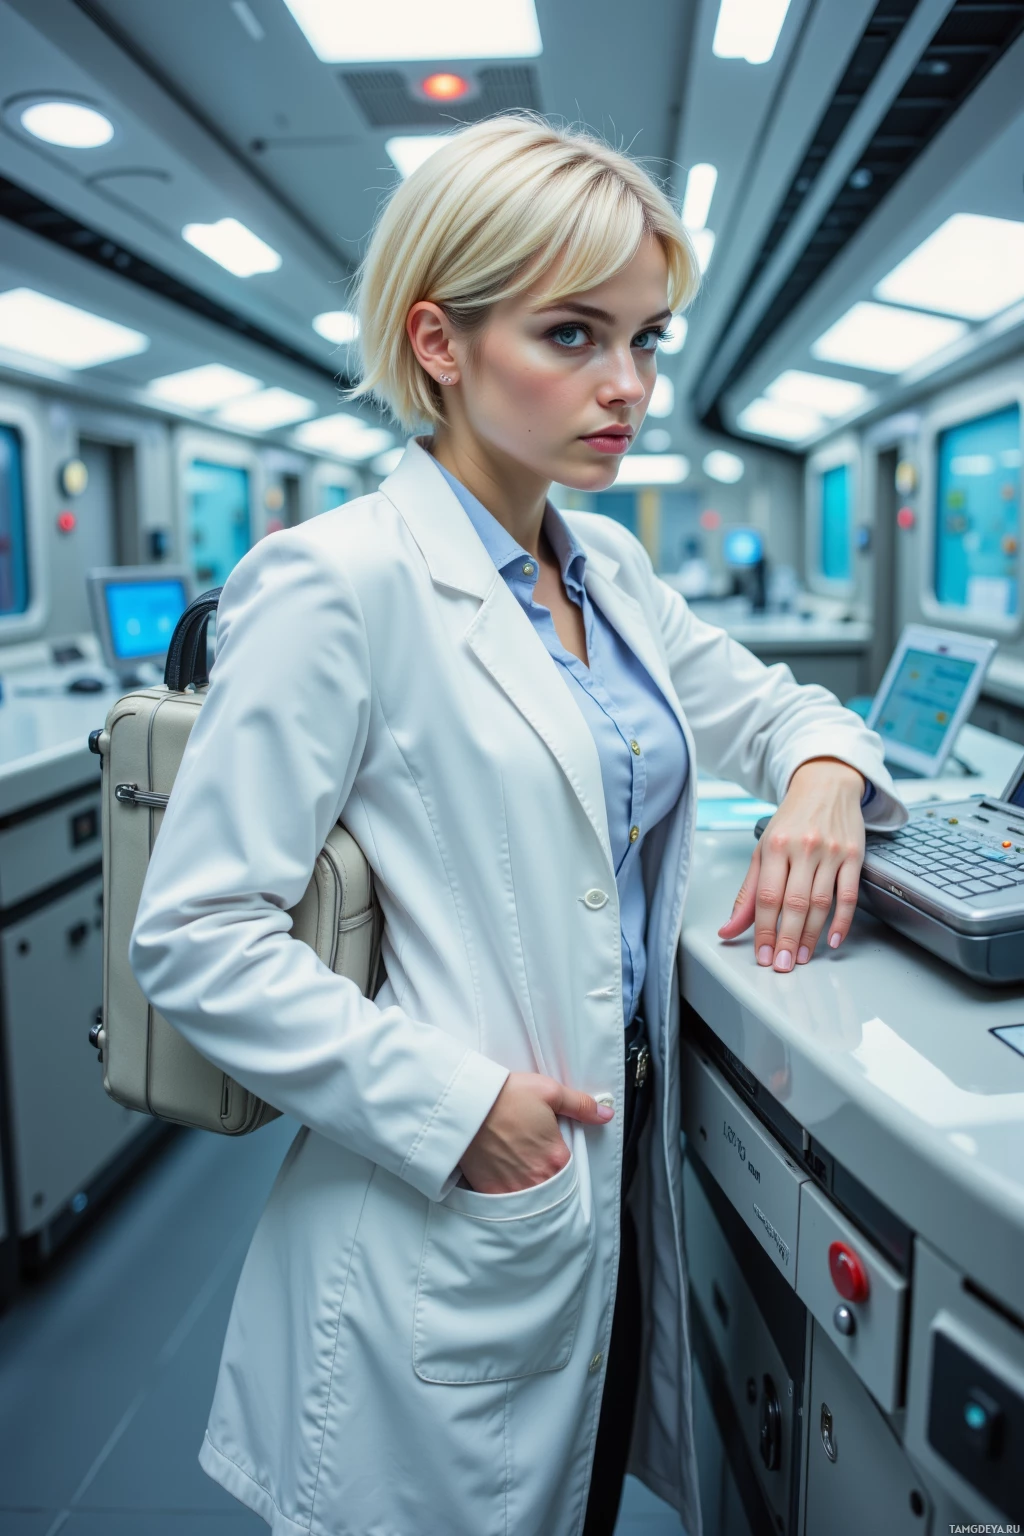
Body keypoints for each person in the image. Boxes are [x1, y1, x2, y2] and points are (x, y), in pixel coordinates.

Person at [129, 113, 906, 1536]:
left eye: (648, 341)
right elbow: (192, 938)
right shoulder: (333, 585)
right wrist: (459, 1111)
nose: (630, 387)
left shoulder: (601, 561)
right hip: (464, 1192)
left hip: (607, 1190)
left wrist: (822, 780)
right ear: (439, 343)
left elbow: (783, 709)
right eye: (572, 337)